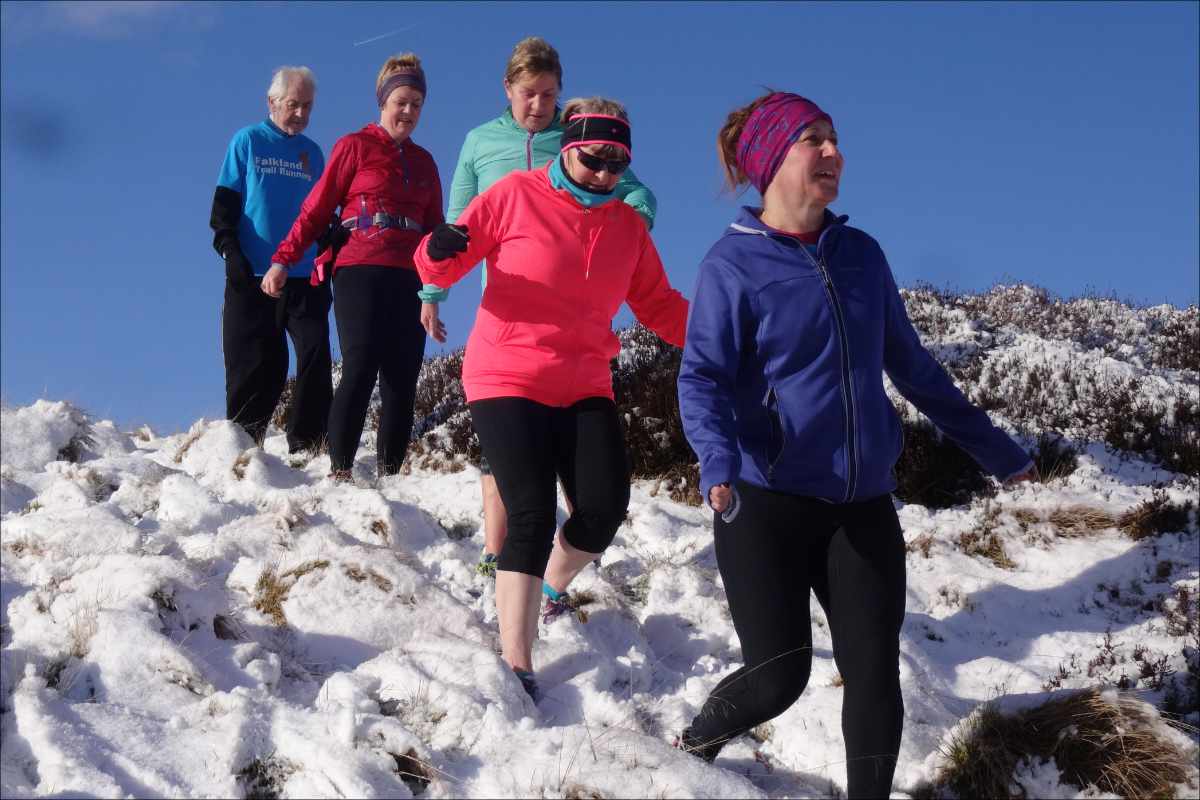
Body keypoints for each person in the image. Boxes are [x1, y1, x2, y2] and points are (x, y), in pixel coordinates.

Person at [675, 92, 1037, 798]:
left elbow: (914, 367)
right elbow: (702, 376)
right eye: (815, 140)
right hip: (763, 497)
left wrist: (996, 450)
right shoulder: (733, 266)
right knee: (780, 675)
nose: (835, 154)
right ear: (773, 158)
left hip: (862, 502)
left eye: (836, 139)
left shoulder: (861, 255)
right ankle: (697, 742)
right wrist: (716, 458)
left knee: (873, 671)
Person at [415, 97, 688, 700]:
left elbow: (660, 305)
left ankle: (553, 585)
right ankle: (517, 657)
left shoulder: (626, 228)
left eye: (618, 166)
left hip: (585, 379)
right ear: (570, 148)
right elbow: (449, 255)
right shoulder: (514, 194)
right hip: (507, 373)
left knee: (605, 506)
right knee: (532, 513)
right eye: (594, 161)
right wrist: (438, 250)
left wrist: (723, 335)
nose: (605, 176)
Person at [420, 37, 658, 580]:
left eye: (549, 94)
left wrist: (626, 232)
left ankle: (571, 553)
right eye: (529, 94)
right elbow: (456, 219)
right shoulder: (480, 141)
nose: (539, 105)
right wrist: (433, 293)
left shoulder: (577, 138)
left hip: (573, 306)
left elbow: (637, 193)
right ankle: (498, 548)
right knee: (509, 435)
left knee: (571, 437)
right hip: (506, 297)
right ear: (509, 89)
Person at [270, 54, 444, 481]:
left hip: (409, 275)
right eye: (401, 101)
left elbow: (436, 230)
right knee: (361, 363)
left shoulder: (425, 163)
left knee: (403, 377)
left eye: (417, 104)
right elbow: (316, 208)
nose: (408, 111)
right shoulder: (354, 146)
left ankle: (389, 474)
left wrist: (436, 291)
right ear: (383, 101)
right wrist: (283, 258)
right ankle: (341, 469)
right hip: (359, 267)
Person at [210, 66, 334, 452]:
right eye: (293, 104)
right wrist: (232, 253)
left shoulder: (312, 153)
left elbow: (324, 215)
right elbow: (223, 210)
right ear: (272, 102)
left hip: (303, 275)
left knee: (315, 352)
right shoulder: (246, 142)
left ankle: (307, 444)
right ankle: (245, 449)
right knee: (257, 368)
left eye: (307, 106)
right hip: (252, 273)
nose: (300, 113)